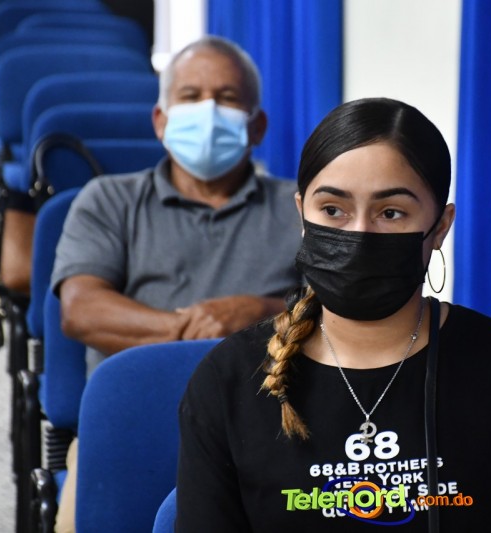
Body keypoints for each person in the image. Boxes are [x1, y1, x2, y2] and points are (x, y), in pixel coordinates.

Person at [175, 97, 491, 532]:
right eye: (332, 210)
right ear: (301, 214)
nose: (359, 233)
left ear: (440, 227)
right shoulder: (228, 380)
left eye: (391, 213)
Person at [50, 36, 302, 533]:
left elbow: (339, 314)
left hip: (274, 431)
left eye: (227, 98)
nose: (207, 111)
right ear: (161, 120)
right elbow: (82, 310)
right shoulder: (108, 200)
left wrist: (261, 311)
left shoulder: (302, 207)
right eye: (190, 96)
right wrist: (202, 332)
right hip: (133, 429)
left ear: (257, 126)